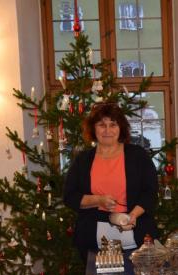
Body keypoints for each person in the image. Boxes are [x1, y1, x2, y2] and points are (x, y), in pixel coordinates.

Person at [63, 102, 159, 261]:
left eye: (113, 124)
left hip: (138, 238)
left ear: (120, 128)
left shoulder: (138, 156)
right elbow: (69, 196)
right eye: (102, 125)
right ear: (93, 129)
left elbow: (150, 192)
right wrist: (97, 200)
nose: (107, 130)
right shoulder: (83, 160)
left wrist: (133, 216)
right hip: (93, 244)